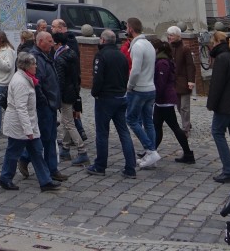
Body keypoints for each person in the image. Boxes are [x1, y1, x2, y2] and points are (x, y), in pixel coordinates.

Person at [0, 51, 61, 192]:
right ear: (26, 66)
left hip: (28, 125)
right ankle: (5, 178)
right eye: (34, 64)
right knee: (13, 152)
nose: (36, 67)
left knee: (37, 152)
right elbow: (21, 108)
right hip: (20, 126)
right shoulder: (21, 82)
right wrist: (28, 130)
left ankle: (45, 181)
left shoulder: (27, 78)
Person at [87, 29, 137, 178]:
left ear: (102, 40)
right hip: (121, 97)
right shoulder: (121, 55)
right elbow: (127, 73)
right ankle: (130, 167)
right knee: (124, 132)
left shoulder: (101, 55)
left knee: (102, 133)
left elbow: (98, 78)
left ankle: (100, 165)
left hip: (106, 98)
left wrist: (94, 93)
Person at [18, 30, 65, 181]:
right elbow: (38, 83)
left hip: (50, 104)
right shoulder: (35, 58)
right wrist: (46, 101)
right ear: (40, 42)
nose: (53, 44)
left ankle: (52, 169)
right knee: (44, 138)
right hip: (44, 105)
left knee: (50, 137)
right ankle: (27, 160)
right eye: (49, 41)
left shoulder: (46, 55)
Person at [151, 38, 194, 164]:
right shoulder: (162, 60)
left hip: (165, 100)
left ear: (158, 49)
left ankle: (188, 154)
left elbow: (161, 83)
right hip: (162, 100)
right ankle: (151, 151)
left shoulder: (162, 63)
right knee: (157, 126)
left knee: (173, 127)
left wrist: (154, 95)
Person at [206, 30, 230, 183]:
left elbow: (217, 85)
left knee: (218, 132)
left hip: (225, 105)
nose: (211, 45)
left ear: (217, 42)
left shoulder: (222, 58)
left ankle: (228, 170)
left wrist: (211, 104)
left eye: (212, 43)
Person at [125, 17, 159, 169]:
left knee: (131, 119)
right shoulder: (148, 44)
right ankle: (150, 153)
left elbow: (135, 69)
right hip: (150, 88)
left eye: (127, 27)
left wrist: (129, 86)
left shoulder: (138, 45)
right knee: (148, 122)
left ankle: (150, 150)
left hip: (139, 89)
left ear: (130, 29)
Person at [53, 30, 87, 164]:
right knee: (67, 119)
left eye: (54, 44)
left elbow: (60, 80)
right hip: (72, 91)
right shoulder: (72, 53)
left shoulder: (60, 58)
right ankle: (65, 149)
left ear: (59, 44)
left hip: (65, 94)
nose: (53, 46)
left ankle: (82, 150)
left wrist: (56, 96)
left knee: (68, 123)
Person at [166, 25, 195, 141]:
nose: (170, 37)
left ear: (178, 36)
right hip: (173, 82)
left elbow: (190, 66)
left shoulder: (185, 49)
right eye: (169, 35)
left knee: (184, 107)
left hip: (183, 81)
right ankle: (187, 122)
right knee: (178, 106)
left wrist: (191, 80)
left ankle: (185, 128)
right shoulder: (168, 48)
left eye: (171, 35)